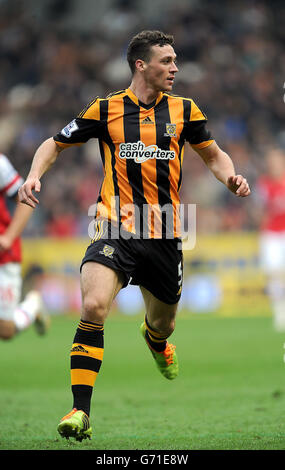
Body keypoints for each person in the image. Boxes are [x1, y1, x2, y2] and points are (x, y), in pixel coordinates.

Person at [18, 30, 251, 441]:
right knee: (93, 305)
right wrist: (34, 176)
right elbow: (53, 145)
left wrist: (230, 177)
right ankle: (80, 410)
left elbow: (213, 155)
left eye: (176, 60)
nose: (175, 68)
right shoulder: (105, 109)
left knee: (164, 324)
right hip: (115, 224)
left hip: (165, 233)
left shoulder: (185, 110)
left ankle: (156, 341)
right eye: (167, 61)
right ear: (141, 65)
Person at [0, 152, 48, 340]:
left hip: (3, 256)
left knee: (5, 331)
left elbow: (26, 200)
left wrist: (8, 238)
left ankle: (32, 305)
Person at [256, 148, 285, 331]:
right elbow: (259, 210)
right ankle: (279, 312)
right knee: (273, 274)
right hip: (271, 234)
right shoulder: (263, 184)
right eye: (271, 161)